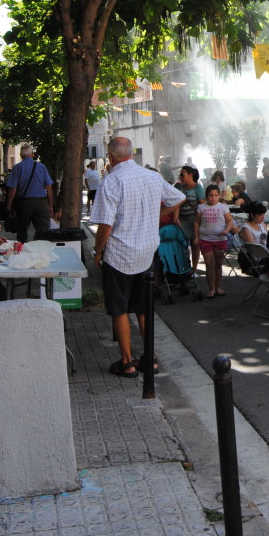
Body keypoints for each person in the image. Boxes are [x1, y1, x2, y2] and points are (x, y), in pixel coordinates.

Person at [92, 136, 185, 378]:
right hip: (146, 251)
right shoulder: (151, 176)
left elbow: (105, 225)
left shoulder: (111, 181)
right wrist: (156, 214)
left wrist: (98, 250)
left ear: (111, 157)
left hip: (119, 253)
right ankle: (150, 358)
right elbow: (178, 198)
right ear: (131, 154)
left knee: (119, 308)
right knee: (144, 307)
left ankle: (127, 362)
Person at [4, 144, 55, 243]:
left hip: (24, 204)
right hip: (41, 203)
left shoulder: (17, 168)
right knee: (43, 232)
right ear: (32, 154)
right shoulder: (41, 166)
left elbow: (13, 189)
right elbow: (49, 188)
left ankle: (22, 249)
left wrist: (9, 206)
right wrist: (50, 206)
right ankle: (42, 250)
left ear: (21, 155)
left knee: (22, 233)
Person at [194, 184, 235, 298]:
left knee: (218, 263)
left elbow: (229, 220)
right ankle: (211, 289)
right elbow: (197, 222)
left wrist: (227, 230)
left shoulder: (223, 207)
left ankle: (218, 287)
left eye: (216, 195)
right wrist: (196, 236)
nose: (213, 198)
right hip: (205, 239)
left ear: (219, 196)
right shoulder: (201, 207)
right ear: (206, 196)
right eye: (210, 195)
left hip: (220, 239)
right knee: (209, 264)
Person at [175, 164, 206, 269]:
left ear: (190, 175)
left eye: (182, 174)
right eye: (180, 174)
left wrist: (200, 221)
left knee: (195, 245)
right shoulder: (178, 187)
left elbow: (202, 205)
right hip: (181, 221)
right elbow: (175, 204)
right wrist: (176, 217)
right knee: (182, 246)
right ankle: (186, 267)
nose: (180, 176)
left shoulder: (197, 188)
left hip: (194, 221)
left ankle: (194, 269)